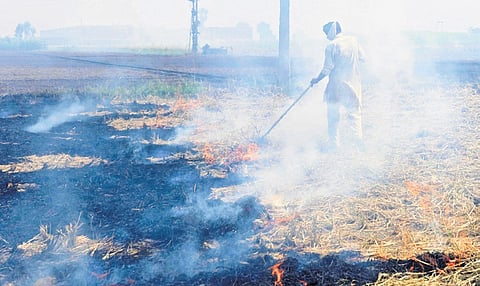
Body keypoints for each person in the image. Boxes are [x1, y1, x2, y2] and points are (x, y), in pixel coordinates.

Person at [310, 21, 365, 151]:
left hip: (336, 86)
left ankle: (334, 145)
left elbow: (327, 69)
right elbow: (363, 58)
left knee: (333, 114)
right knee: (354, 114)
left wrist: (316, 80)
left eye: (326, 33)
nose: (325, 36)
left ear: (331, 32)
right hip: (353, 84)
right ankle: (358, 142)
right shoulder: (354, 41)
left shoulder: (331, 46)